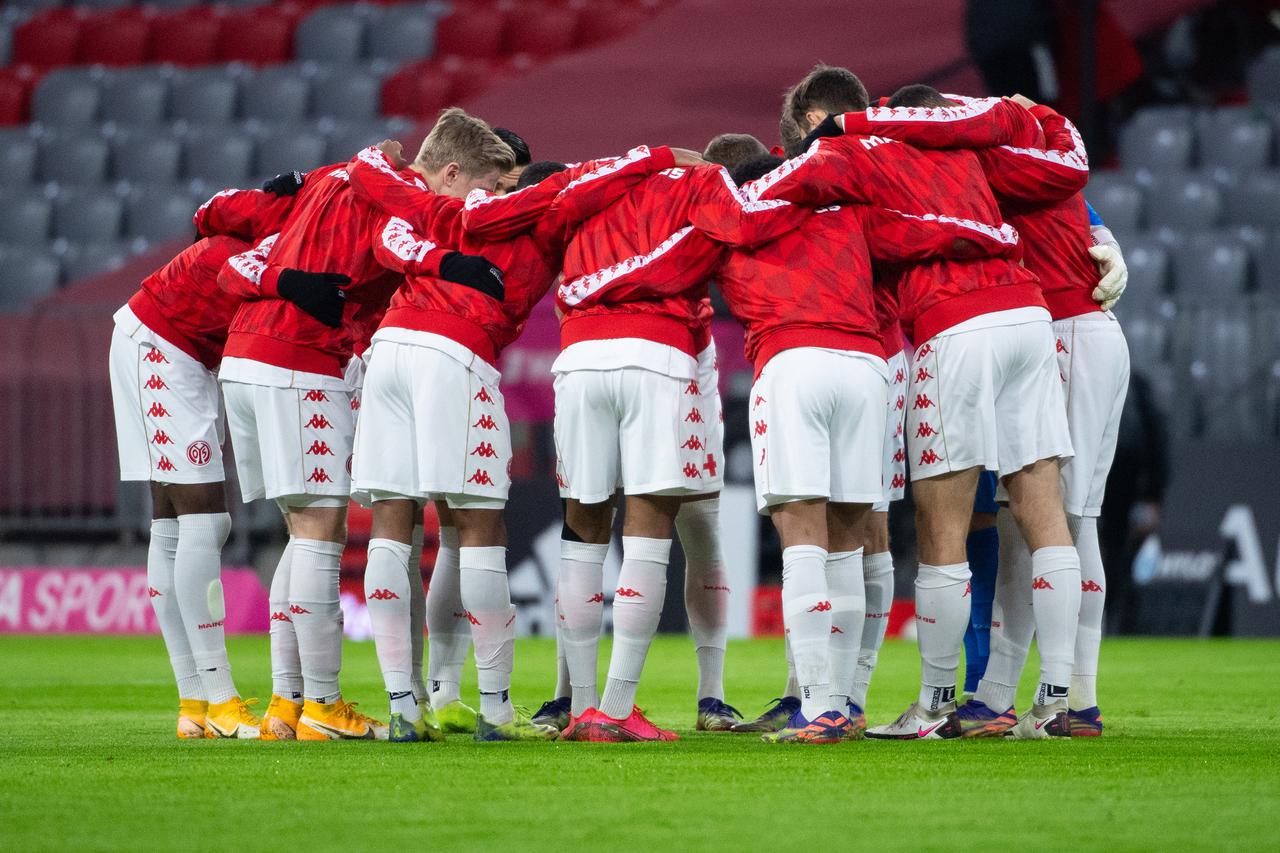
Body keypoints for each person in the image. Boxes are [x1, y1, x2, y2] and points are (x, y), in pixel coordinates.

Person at [754, 65, 1080, 740]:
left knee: (941, 525)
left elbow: (782, 190)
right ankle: (1057, 701)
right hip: (1027, 314)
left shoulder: (857, 153)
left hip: (954, 324)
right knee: (1043, 508)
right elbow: (1062, 172)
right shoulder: (970, 149)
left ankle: (934, 704)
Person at [347, 139, 687, 740]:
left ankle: (404, 707)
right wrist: (658, 157)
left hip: (389, 348)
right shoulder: (546, 218)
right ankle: (497, 711)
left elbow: (387, 226)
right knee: (479, 529)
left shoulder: (449, 208)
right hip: (454, 350)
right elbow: (584, 183)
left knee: (391, 523)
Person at [839, 84, 1128, 737]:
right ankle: (1013, 694)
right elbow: (1063, 175)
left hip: (1060, 324)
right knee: (1038, 518)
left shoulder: (967, 157)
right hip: (1043, 323)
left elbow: (1063, 174)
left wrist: (1098, 227)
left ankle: (1068, 698)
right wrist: (1100, 228)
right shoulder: (1001, 150)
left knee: (1060, 518)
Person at [214, 108, 512, 741]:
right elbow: (391, 244)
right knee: (319, 533)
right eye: (478, 189)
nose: (476, 207)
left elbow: (255, 252)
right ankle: (323, 705)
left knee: (300, 531)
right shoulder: (398, 198)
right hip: (300, 358)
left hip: (245, 353)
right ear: (449, 173)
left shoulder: (335, 178)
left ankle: (286, 704)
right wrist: (451, 265)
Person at [716, 150, 1020, 742]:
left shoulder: (731, 223)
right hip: (866, 365)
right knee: (851, 541)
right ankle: (846, 701)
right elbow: (924, 233)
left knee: (803, 534)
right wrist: (998, 236)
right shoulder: (851, 214)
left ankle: (818, 707)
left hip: (794, 358)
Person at [552, 149, 807, 742]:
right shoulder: (704, 188)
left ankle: (581, 706)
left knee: (582, 532)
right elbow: (745, 225)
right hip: (660, 352)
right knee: (652, 530)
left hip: (578, 355)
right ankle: (618, 709)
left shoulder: (599, 181)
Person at [109, 234, 264, 739]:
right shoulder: (271, 230)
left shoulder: (258, 223)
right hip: (164, 347)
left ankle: (195, 702)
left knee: (172, 522)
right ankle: (220, 700)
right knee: (203, 518)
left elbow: (210, 218)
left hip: (173, 349)